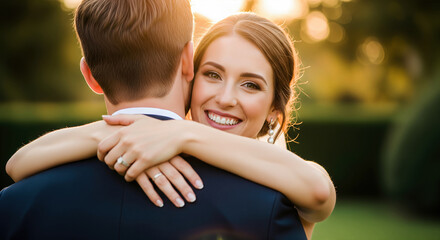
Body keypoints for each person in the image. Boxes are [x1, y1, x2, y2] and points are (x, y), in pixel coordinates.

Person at [2, 2, 335, 240]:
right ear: (189, 66)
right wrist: (118, 130)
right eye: (213, 74)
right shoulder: (268, 208)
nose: (225, 98)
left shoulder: (281, 194)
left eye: (251, 84)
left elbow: (319, 191)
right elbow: (16, 164)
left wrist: (184, 132)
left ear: (276, 110)